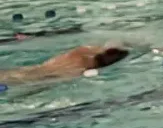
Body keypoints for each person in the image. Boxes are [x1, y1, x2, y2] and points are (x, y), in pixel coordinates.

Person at [0, 45, 128, 85]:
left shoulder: (78, 53)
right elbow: (45, 85)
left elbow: (99, 46)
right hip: (34, 77)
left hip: (30, 69)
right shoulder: (77, 71)